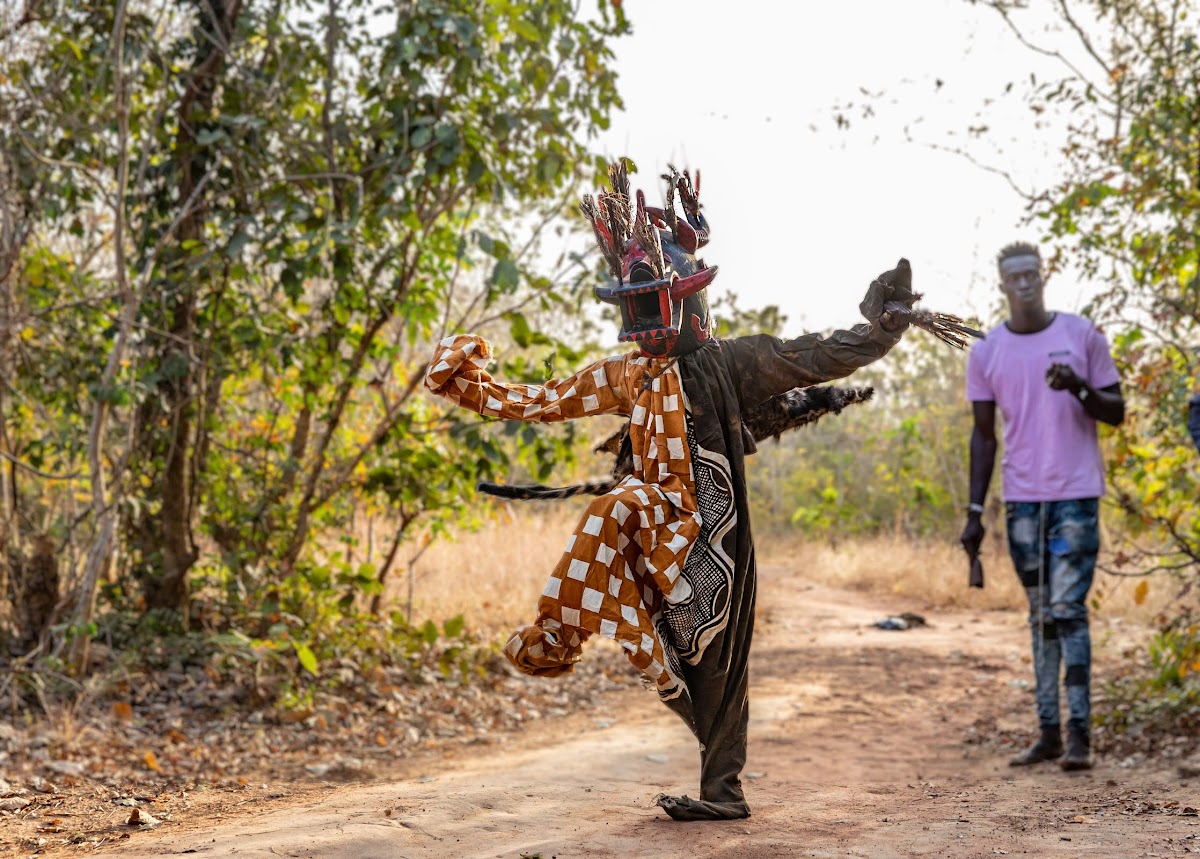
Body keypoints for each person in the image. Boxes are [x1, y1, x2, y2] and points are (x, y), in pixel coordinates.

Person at [427, 163, 921, 820]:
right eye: (633, 308)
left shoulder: (730, 363)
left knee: (717, 660)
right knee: (640, 568)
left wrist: (882, 329)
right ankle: (560, 633)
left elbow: (816, 354)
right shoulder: (629, 373)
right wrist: (468, 384)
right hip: (660, 526)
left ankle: (722, 791)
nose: (640, 321)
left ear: (684, 300)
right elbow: (546, 400)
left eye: (649, 304)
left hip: (714, 537)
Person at [960, 241, 1124, 772]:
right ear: (1003, 285)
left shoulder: (1082, 335)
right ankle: (1048, 733)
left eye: (1032, 274)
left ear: (1043, 276)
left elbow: (1116, 411)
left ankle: (1080, 736)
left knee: (1069, 611)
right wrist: (973, 511)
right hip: (1023, 502)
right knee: (1040, 615)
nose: (1025, 283)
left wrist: (1078, 387)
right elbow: (983, 438)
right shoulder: (987, 351)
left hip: (1076, 496)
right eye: (1015, 277)